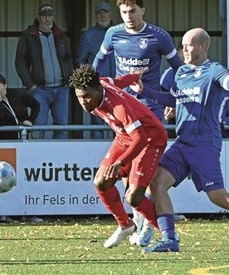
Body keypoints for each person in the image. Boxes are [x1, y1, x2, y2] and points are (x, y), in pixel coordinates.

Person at [129, 28, 229, 253]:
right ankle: (170, 239)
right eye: (182, 45)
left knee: (218, 197)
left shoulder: (214, 70)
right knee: (156, 183)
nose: (183, 50)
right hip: (183, 143)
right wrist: (146, 91)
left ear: (202, 47)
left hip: (205, 145)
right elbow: (175, 100)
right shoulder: (181, 72)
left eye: (188, 45)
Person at [93, 0, 184, 246]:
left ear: (143, 10)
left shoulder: (159, 37)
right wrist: (96, 87)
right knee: (124, 176)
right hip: (124, 112)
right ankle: (140, 223)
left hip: (150, 111)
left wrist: (173, 99)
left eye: (133, 11)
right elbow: (98, 63)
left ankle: (147, 227)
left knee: (140, 178)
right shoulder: (113, 34)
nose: (128, 16)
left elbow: (180, 70)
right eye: (123, 12)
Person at [68, 64, 167, 248]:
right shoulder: (102, 83)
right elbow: (118, 81)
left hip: (150, 138)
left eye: (87, 96)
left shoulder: (118, 106)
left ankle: (168, 237)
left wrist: (122, 161)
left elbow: (140, 138)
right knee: (101, 182)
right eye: (79, 97)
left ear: (98, 90)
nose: (83, 102)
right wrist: (134, 76)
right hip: (125, 137)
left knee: (134, 197)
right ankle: (125, 225)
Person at [15, 3, 73, 139]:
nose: (47, 19)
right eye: (44, 16)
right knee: (38, 128)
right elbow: (20, 62)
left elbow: (69, 59)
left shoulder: (61, 35)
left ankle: (60, 157)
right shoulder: (28, 36)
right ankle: (38, 159)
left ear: (53, 17)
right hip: (39, 90)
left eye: (50, 16)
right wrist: (30, 85)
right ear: (38, 17)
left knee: (62, 127)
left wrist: (69, 81)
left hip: (61, 89)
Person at [77, 1, 116, 139]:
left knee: (119, 121)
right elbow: (80, 61)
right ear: (95, 16)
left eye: (105, 12)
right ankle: (98, 159)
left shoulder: (119, 32)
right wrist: (90, 82)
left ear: (110, 14)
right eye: (100, 13)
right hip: (98, 87)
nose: (103, 15)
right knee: (98, 122)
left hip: (118, 85)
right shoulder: (88, 35)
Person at [0, 74, 40, 140]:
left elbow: (36, 105)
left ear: (5, 86)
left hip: (23, 137)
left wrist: (31, 120)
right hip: (4, 140)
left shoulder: (19, 94)